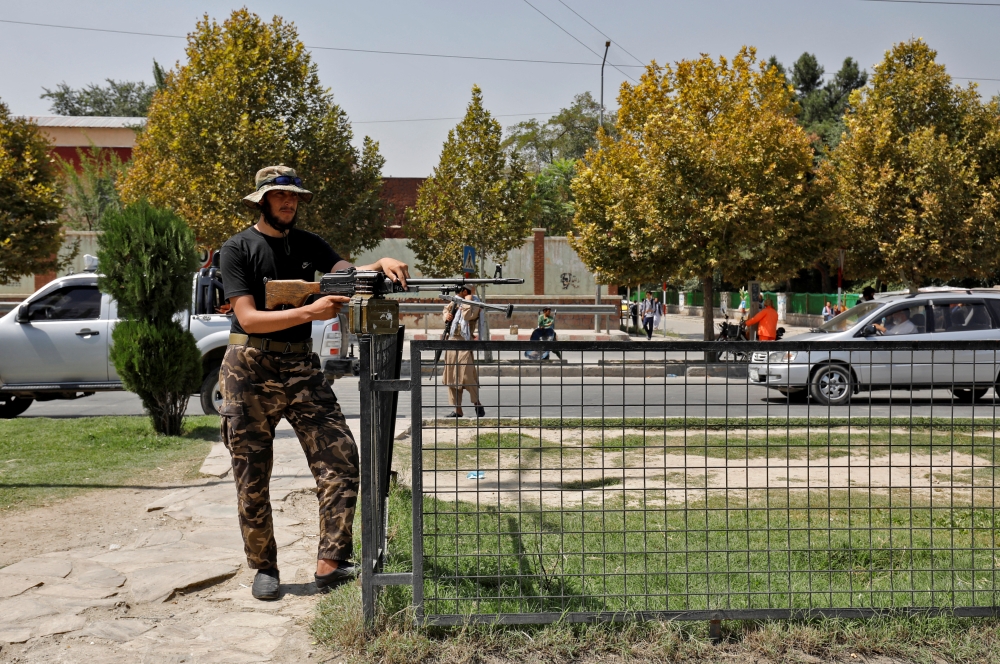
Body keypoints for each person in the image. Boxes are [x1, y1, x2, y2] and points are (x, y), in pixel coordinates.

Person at [219, 165, 409, 601]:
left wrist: (380, 263)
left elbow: (348, 272)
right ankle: (264, 567)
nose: (289, 202)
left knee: (341, 457)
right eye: (279, 195)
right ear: (262, 200)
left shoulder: (310, 244)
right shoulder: (237, 248)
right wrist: (310, 311)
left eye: (294, 197)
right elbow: (248, 317)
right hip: (248, 368)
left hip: (301, 365)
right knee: (251, 475)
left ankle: (331, 562)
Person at [443, 285, 485, 418]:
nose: (456, 293)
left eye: (459, 291)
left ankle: (477, 403)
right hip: (452, 342)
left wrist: (467, 300)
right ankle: (458, 409)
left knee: (467, 376)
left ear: (465, 291)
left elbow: (467, 315)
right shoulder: (454, 302)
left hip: (465, 342)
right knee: (452, 377)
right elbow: (445, 312)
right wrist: (447, 316)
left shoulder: (475, 304)